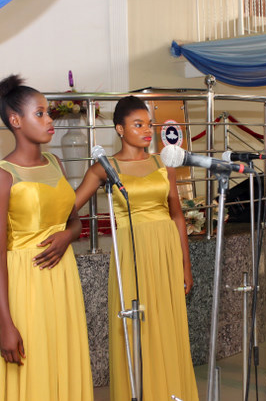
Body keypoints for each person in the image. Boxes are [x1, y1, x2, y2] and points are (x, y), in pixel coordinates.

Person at [74, 96, 199, 401]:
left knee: (167, 327)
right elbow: (69, 207)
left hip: (166, 251)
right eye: (138, 124)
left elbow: (177, 215)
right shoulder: (105, 168)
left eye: (149, 124)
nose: (147, 130)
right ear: (120, 129)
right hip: (132, 254)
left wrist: (185, 265)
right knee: (137, 326)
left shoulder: (163, 162)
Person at [0, 75, 93, 401]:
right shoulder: (1, 175)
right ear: (15, 120)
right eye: (40, 113)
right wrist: (6, 324)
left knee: (61, 361)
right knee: (32, 373)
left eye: (48, 113)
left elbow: (74, 222)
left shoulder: (55, 163)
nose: (49, 121)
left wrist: (66, 237)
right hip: (25, 283)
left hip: (62, 278)